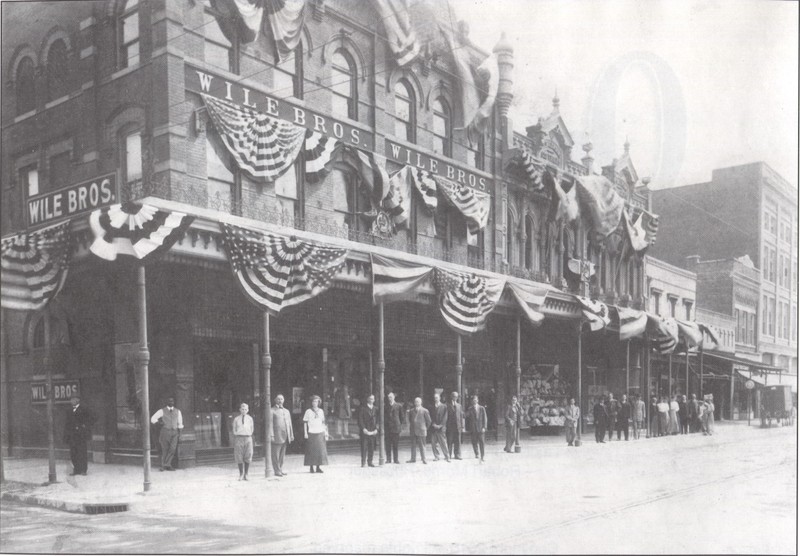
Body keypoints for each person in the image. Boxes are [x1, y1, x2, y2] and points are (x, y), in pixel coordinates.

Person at [150, 397, 182, 472]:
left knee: (173, 449)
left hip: (174, 432)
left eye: (172, 401)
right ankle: (165, 465)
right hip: (165, 432)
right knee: (165, 449)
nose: (171, 402)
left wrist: (180, 433)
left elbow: (180, 423)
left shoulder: (178, 411)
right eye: (169, 401)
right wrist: (159, 423)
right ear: (167, 402)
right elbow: (153, 419)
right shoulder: (162, 411)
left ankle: (166, 464)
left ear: (174, 402)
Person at [64, 396, 94, 476]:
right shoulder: (69, 410)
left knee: (82, 452)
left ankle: (83, 470)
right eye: (71, 399)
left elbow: (92, 417)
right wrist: (67, 435)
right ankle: (76, 469)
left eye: (74, 399)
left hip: (81, 435)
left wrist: (85, 426)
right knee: (73, 453)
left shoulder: (84, 409)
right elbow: (67, 423)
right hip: (72, 435)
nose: (72, 401)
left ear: (78, 400)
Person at [303, 395, 329, 473]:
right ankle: (311, 467)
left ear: (319, 402)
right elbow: (305, 422)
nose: (315, 403)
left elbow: (323, 422)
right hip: (311, 432)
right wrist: (305, 432)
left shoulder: (321, 411)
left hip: (320, 432)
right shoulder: (308, 411)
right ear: (311, 402)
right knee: (311, 450)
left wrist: (326, 432)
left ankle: (318, 467)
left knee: (320, 451)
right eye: (313, 401)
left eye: (316, 401)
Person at [270, 394, 294, 477]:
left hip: (285, 435)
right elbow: (270, 424)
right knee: (275, 454)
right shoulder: (272, 410)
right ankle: (276, 470)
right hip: (276, 435)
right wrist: (271, 435)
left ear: (284, 400)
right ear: (275, 400)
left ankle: (280, 469)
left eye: (281, 399)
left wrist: (291, 434)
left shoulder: (286, 411)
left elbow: (289, 424)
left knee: (282, 455)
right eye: (278, 399)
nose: (280, 401)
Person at [232, 402, 254, 480]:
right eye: (242, 409)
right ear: (240, 410)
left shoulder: (250, 419)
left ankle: (246, 474)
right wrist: (237, 434)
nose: (244, 410)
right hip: (239, 438)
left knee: (248, 455)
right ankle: (241, 474)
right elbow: (234, 429)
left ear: (248, 410)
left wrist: (248, 434)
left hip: (248, 438)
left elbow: (252, 429)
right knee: (239, 455)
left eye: (245, 409)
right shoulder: (236, 419)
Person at [407, 397, 431, 464]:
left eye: (418, 401)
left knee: (422, 445)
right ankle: (413, 458)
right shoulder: (411, 411)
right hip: (413, 430)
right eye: (415, 401)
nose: (416, 403)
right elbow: (410, 420)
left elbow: (429, 421)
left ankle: (424, 459)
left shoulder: (425, 410)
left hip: (421, 430)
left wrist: (425, 428)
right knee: (413, 445)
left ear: (421, 402)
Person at [358, 394, 379, 467]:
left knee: (372, 447)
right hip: (365, 431)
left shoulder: (376, 409)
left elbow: (378, 420)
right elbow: (360, 419)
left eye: (373, 399)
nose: (371, 400)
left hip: (373, 430)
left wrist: (377, 428)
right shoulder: (363, 408)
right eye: (370, 399)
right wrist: (363, 428)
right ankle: (363, 462)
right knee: (364, 447)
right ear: (367, 399)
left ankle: (370, 461)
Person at [465, 395, 487, 462]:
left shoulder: (482, 408)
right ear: (472, 401)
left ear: (478, 400)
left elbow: (485, 418)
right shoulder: (470, 409)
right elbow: (467, 417)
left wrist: (484, 427)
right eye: (473, 400)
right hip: (473, 429)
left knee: (482, 442)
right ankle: (476, 453)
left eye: (476, 400)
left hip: (480, 428)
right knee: (474, 442)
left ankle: (482, 456)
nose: (474, 401)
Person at [385, 392, 405, 464]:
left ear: (394, 397)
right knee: (387, 445)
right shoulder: (385, 406)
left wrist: (399, 424)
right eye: (388, 397)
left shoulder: (399, 406)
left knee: (395, 444)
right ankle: (388, 459)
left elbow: (402, 417)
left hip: (396, 428)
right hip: (388, 428)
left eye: (391, 397)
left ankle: (396, 459)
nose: (389, 398)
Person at [430, 393, 451, 462]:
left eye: (437, 397)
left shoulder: (444, 406)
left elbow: (445, 417)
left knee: (443, 443)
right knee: (434, 443)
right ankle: (436, 456)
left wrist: (441, 425)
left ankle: (447, 456)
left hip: (441, 428)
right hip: (434, 428)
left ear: (439, 398)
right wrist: (433, 424)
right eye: (434, 397)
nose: (435, 399)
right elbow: (430, 417)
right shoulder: (432, 407)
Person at [446, 391, 464, 460]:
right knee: (449, 441)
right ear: (451, 396)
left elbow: (461, 416)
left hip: (458, 427)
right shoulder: (447, 405)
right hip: (450, 427)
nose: (455, 398)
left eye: (456, 397)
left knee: (458, 441)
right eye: (454, 396)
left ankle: (457, 455)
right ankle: (449, 455)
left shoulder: (459, 406)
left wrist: (462, 426)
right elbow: (446, 416)